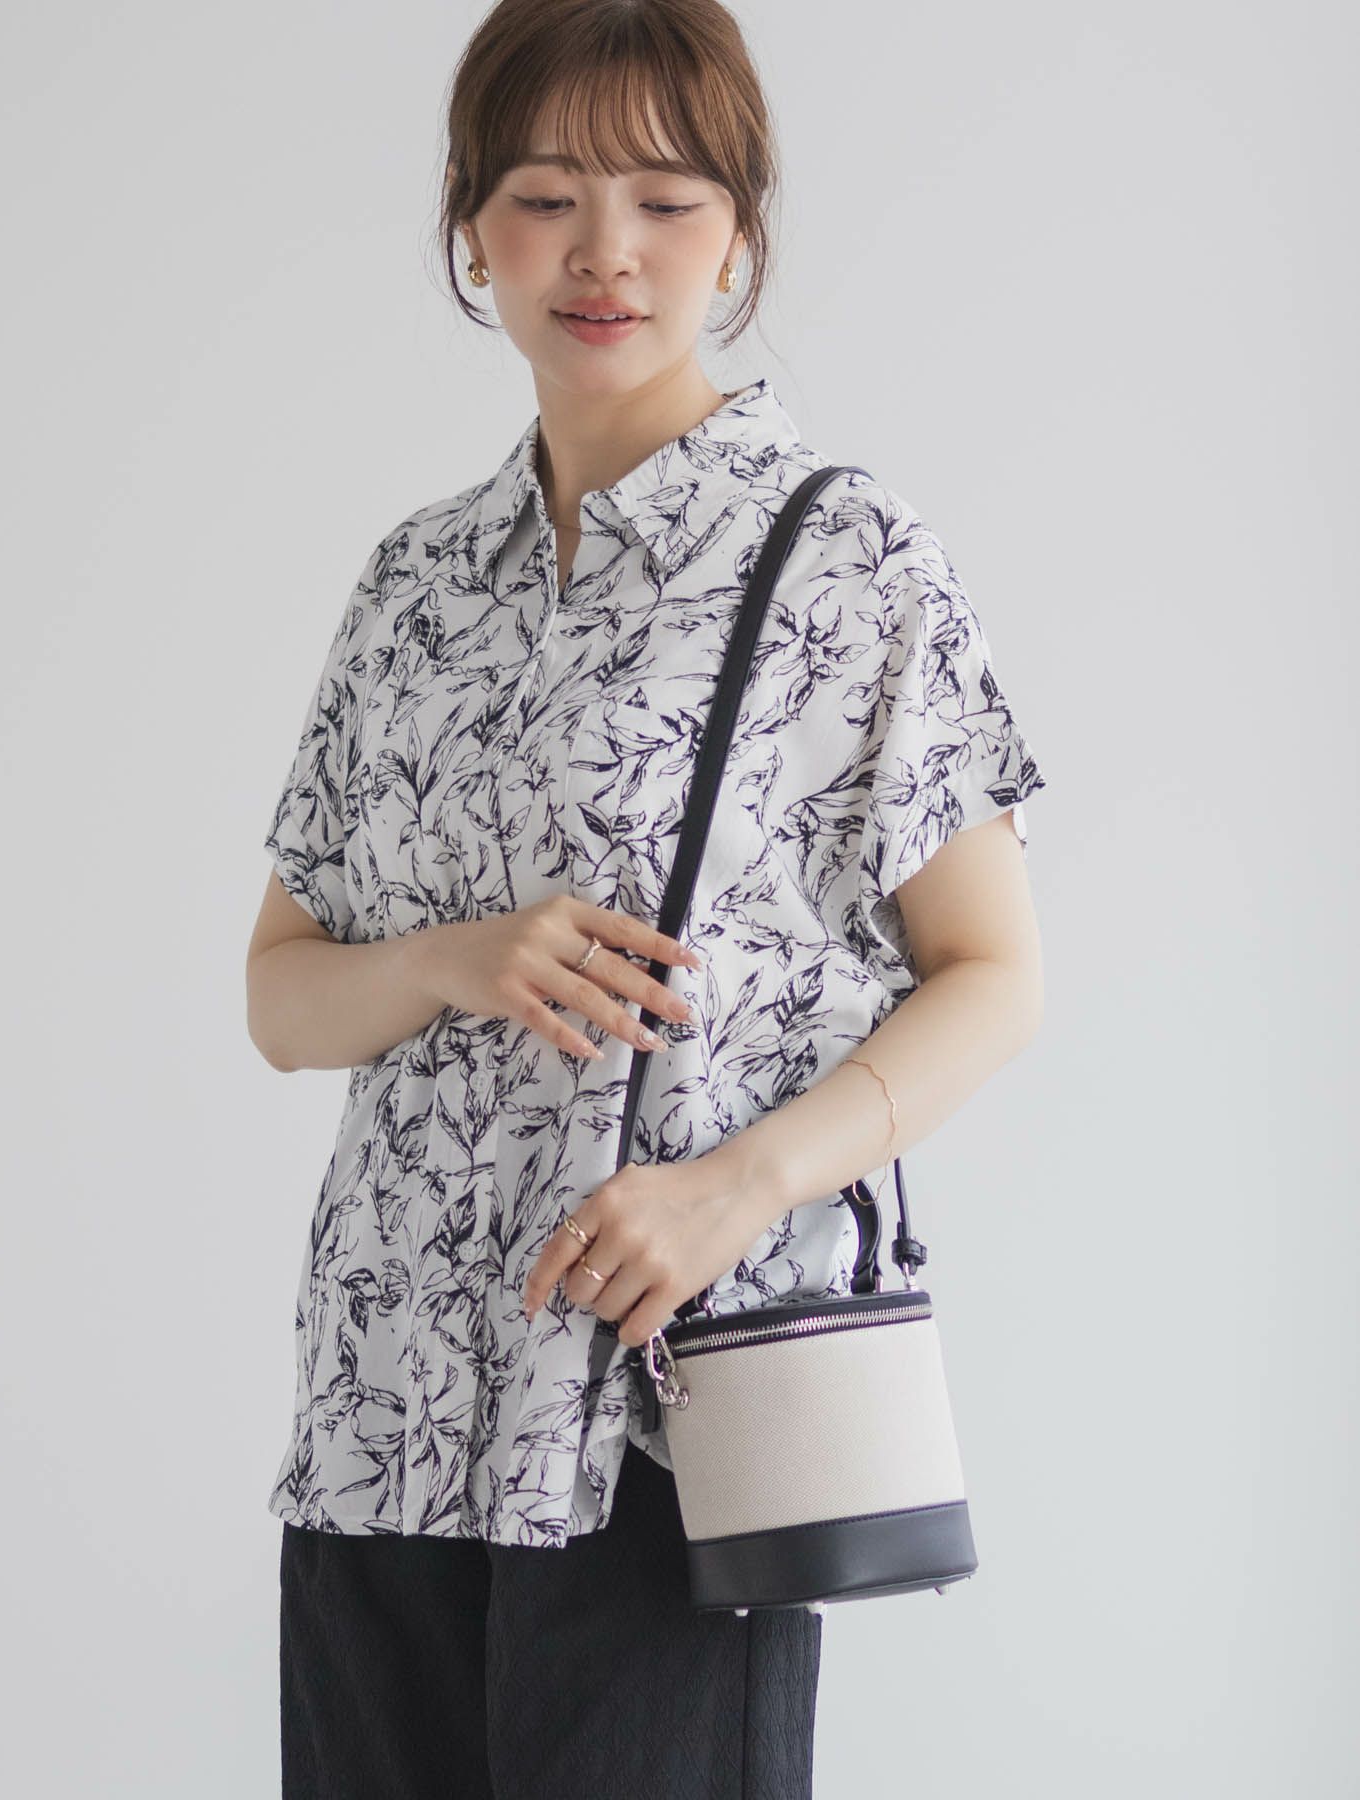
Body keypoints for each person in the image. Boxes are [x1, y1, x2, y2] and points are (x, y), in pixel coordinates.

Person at [246, 1, 1049, 1794]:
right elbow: (281, 996)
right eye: (545, 197)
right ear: (471, 228)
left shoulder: (846, 559)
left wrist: (735, 1189)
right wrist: (457, 958)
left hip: (670, 1409)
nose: (604, 251)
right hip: (387, 1398)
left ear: (739, 234)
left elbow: (996, 973)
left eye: (666, 202)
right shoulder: (414, 585)